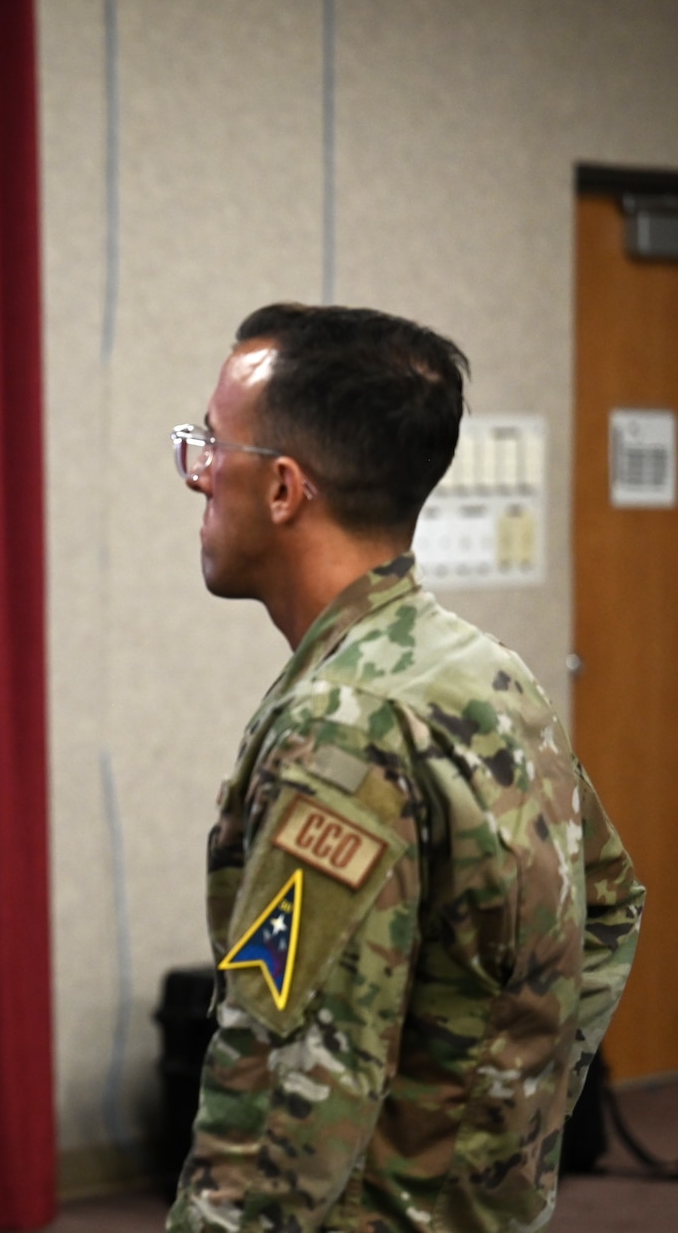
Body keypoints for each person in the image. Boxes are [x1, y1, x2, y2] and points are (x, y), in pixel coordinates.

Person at [166, 303, 644, 1230]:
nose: (200, 476)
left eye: (214, 444)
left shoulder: (344, 727)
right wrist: (501, 1140)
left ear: (284, 489)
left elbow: (280, 1097)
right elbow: (609, 906)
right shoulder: (490, 676)